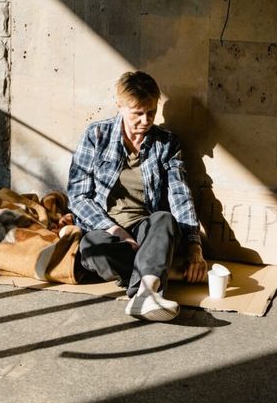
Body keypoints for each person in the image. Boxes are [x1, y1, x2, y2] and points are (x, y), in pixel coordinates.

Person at [67, 71, 207, 322]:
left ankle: (146, 293)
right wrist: (116, 231)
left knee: (164, 220)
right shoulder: (96, 135)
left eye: (151, 112)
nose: (145, 120)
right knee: (91, 250)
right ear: (119, 106)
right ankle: (156, 271)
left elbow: (179, 195)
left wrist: (194, 246)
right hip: (107, 229)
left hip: (148, 230)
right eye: (137, 113)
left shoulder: (166, 143)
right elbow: (78, 196)